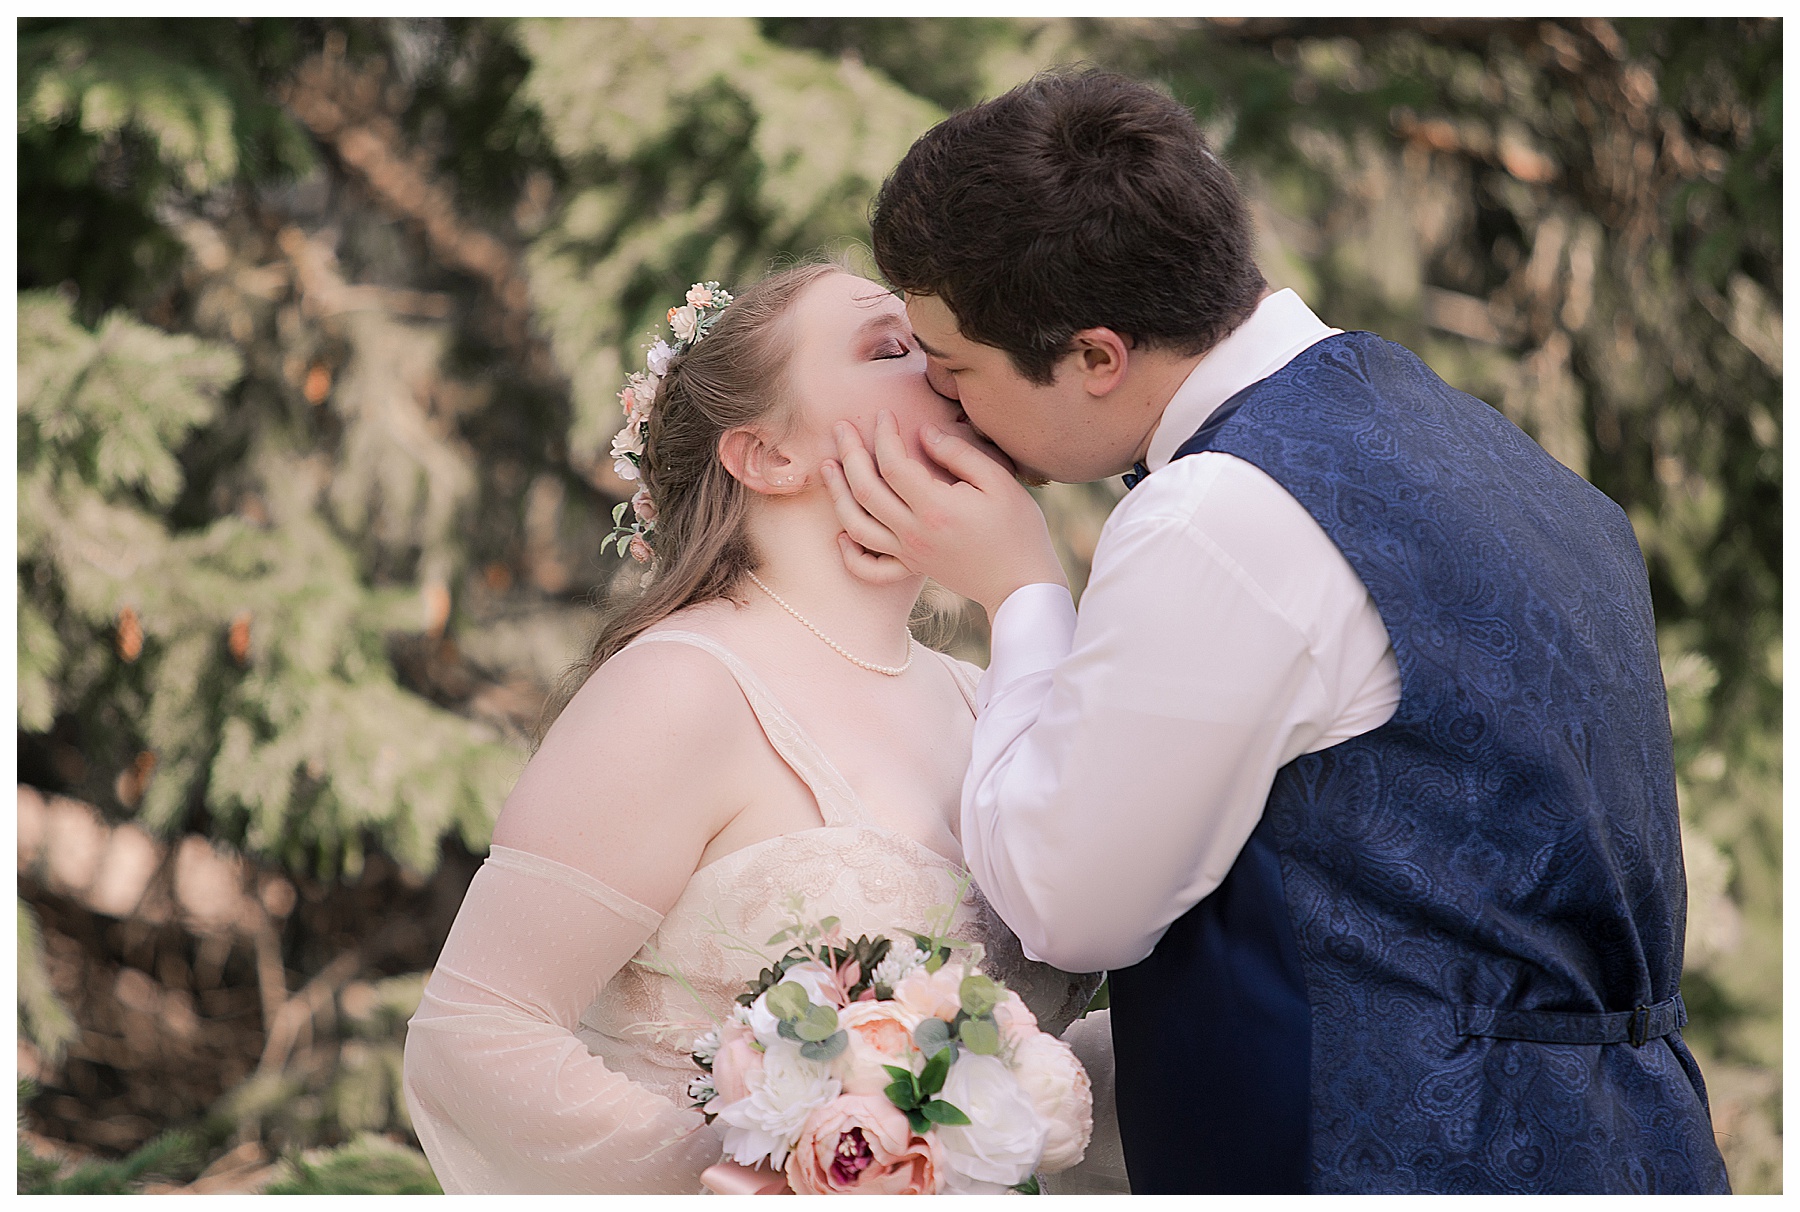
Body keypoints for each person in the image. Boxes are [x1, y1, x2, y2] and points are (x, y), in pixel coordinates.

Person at [823, 69, 1730, 1194]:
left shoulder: (1223, 513)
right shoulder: (1505, 463)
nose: (947, 405)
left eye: (955, 369)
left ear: (1097, 356)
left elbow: (1069, 904)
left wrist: (1019, 590)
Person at [399, 262, 1117, 1193]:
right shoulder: (682, 690)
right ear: (768, 456)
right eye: (893, 348)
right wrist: (777, 1180)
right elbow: (475, 1033)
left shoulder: (995, 697)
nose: (944, 368)